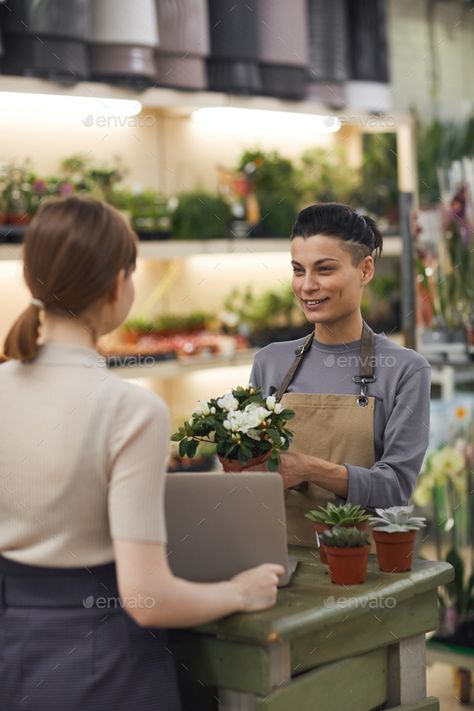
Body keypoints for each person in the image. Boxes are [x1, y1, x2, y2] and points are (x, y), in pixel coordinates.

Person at [0, 195, 283, 711]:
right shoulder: (129, 409)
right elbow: (148, 598)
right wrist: (241, 593)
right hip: (105, 671)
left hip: (16, 658)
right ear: (116, 285)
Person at [249, 203, 431, 546]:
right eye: (298, 270)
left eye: (325, 269)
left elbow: (395, 488)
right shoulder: (270, 362)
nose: (307, 286)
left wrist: (309, 469)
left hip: (366, 570)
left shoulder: (405, 370)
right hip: (276, 563)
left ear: (365, 270)